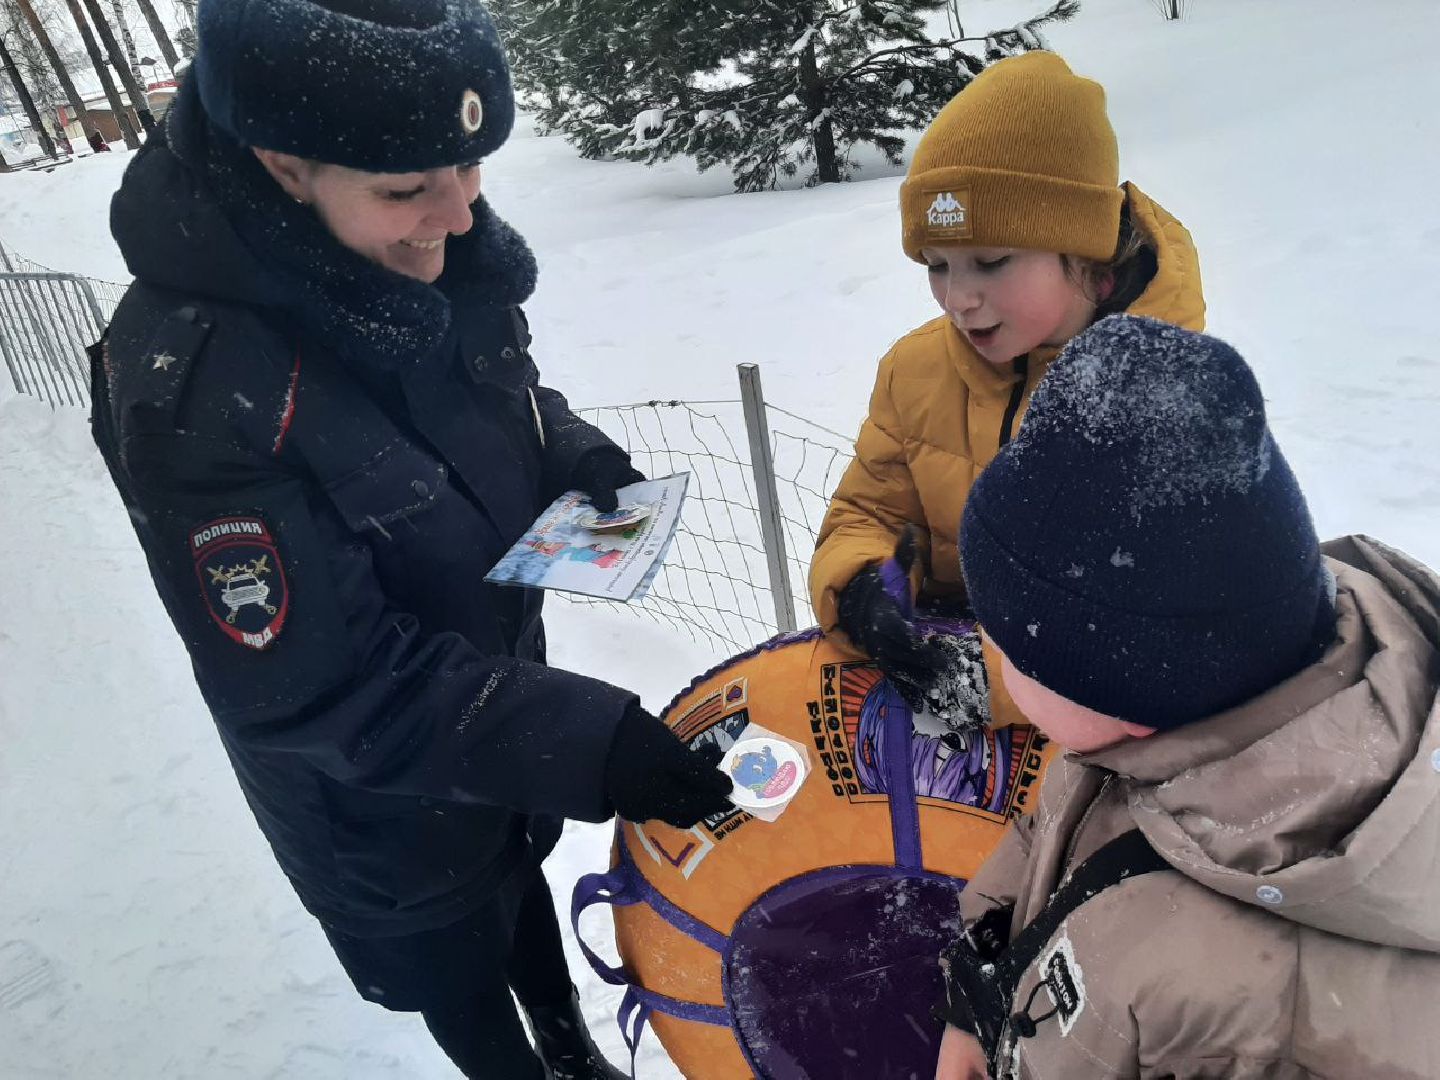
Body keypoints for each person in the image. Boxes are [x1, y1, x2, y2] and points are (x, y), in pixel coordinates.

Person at [87, 2, 732, 1077]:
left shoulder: (422, 244)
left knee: (521, 896)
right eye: (407, 189)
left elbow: (496, 397)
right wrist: (591, 743)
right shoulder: (194, 387)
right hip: (381, 804)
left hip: (498, 715)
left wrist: (574, 459)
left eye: (472, 166)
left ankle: (571, 1049)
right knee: (465, 984)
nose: (460, 211)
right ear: (283, 163)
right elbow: (323, 689)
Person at [932, 314, 1440, 1078]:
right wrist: (984, 987)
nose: (987, 647)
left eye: (1009, 643)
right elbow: (1055, 829)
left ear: (1124, 688)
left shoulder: (1273, 1014)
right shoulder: (1151, 729)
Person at [809, 51, 1205, 718]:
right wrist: (861, 591)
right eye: (936, 265)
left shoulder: (1163, 395)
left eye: (990, 262)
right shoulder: (916, 371)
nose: (958, 298)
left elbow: (1154, 629)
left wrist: (989, 684)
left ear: (1084, 256)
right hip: (945, 740)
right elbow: (869, 511)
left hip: (1105, 760)